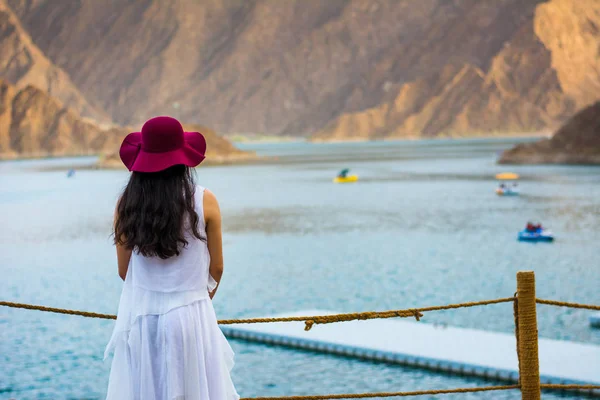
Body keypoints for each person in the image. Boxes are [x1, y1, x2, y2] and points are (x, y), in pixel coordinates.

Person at [105, 116, 239, 400]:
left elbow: (123, 271)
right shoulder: (205, 200)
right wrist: (194, 299)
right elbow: (217, 267)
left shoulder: (125, 204)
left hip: (143, 320)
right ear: (182, 158)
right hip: (192, 317)